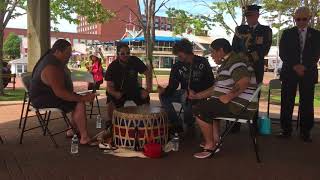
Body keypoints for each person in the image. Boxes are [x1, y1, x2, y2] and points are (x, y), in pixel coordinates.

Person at [189, 38, 257, 159]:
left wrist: (229, 96)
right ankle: (215, 141)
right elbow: (215, 88)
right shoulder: (229, 62)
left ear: (221, 51)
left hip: (238, 105)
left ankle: (210, 146)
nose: (211, 55)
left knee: (199, 109)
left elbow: (244, 80)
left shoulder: (236, 61)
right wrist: (197, 96)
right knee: (208, 105)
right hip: (234, 102)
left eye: (213, 52)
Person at [29, 39, 96, 145]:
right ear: (57, 52)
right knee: (79, 103)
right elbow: (60, 93)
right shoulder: (51, 66)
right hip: (42, 99)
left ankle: (71, 131)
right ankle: (84, 137)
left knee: (76, 99)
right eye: (67, 54)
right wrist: (83, 98)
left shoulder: (53, 59)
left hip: (48, 94)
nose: (69, 57)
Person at [278, 7, 320, 142]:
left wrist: (305, 66)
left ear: (309, 18)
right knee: (286, 101)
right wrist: (295, 66)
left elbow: (316, 54)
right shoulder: (287, 33)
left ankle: (305, 132)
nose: (301, 22)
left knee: (307, 103)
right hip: (289, 72)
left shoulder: (317, 34)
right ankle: (286, 130)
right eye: (298, 19)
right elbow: (283, 52)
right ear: (294, 19)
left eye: (304, 19)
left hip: (308, 73)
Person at [158, 39, 214, 132]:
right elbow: (173, 85)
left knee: (185, 95)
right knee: (164, 96)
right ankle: (175, 123)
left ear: (186, 51)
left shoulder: (203, 62)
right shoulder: (177, 66)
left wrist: (197, 92)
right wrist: (165, 90)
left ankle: (189, 122)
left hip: (199, 95)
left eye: (179, 54)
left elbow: (210, 82)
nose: (178, 57)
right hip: (184, 94)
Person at [231, 4, 272, 132]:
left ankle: (253, 123)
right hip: (241, 68)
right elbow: (234, 47)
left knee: (255, 95)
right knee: (238, 92)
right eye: (247, 16)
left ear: (258, 15)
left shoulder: (265, 30)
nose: (249, 18)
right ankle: (235, 123)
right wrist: (242, 59)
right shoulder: (239, 29)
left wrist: (249, 58)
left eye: (252, 15)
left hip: (256, 67)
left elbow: (264, 49)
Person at [105, 43, 152, 120]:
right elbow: (109, 87)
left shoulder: (135, 60)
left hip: (134, 89)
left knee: (145, 98)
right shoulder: (112, 66)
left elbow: (148, 73)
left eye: (128, 53)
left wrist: (148, 90)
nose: (125, 55)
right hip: (118, 91)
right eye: (122, 53)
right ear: (118, 54)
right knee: (111, 99)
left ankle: (146, 121)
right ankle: (111, 122)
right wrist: (115, 93)